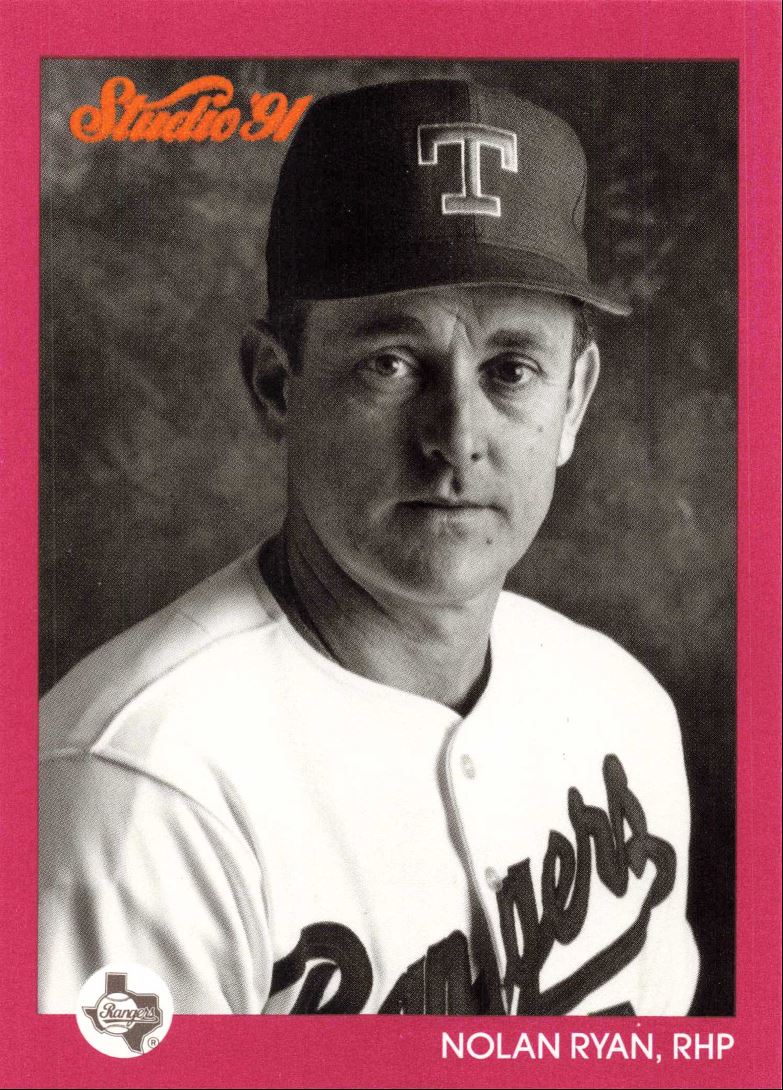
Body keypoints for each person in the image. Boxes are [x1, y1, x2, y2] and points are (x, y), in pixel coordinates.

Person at [39, 79, 700, 1016]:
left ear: (573, 401)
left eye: (511, 370)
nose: (456, 437)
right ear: (278, 385)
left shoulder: (619, 704)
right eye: (390, 363)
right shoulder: (138, 790)